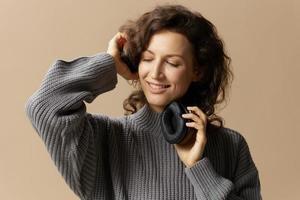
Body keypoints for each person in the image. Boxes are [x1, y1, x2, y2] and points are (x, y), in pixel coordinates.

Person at [25, 4, 262, 200]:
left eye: (172, 62)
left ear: (197, 71)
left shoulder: (231, 146)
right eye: (147, 59)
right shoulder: (108, 139)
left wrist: (199, 169)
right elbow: (44, 105)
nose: (156, 73)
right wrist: (109, 64)